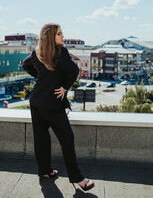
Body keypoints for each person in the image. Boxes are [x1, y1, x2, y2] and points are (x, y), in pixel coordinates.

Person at [22, 23, 94, 191]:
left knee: (41, 139)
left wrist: (41, 78)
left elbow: (26, 65)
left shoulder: (37, 52)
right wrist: (64, 87)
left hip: (36, 101)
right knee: (67, 139)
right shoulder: (60, 53)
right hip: (52, 104)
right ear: (51, 37)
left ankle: (45, 172)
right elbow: (74, 71)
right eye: (59, 34)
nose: (63, 36)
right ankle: (78, 179)